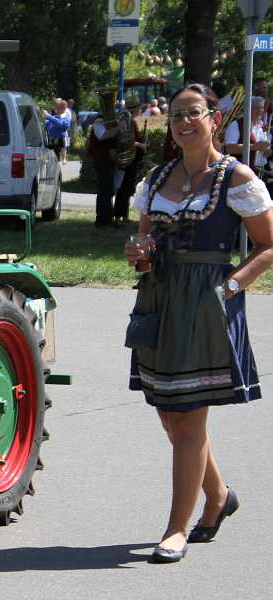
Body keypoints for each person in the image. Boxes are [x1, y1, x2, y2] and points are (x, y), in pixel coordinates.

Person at [124, 83, 273, 563]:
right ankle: (218, 496)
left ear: (214, 118)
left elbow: (268, 245)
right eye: (176, 115)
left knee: (189, 418)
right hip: (159, 300)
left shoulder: (236, 178)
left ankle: (175, 529)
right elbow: (145, 248)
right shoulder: (157, 178)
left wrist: (230, 288)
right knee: (170, 414)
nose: (184, 122)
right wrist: (140, 255)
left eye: (194, 113)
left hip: (208, 301)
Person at [113, 98, 148, 226]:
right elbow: (124, 139)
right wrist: (140, 145)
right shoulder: (129, 121)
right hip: (129, 159)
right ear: (137, 109)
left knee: (126, 189)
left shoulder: (129, 120)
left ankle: (123, 215)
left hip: (130, 158)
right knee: (124, 188)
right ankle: (119, 215)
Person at [88, 95, 121, 227]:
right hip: (101, 159)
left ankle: (108, 217)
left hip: (109, 158)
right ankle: (102, 220)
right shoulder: (98, 121)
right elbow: (102, 136)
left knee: (109, 188)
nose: (112, 109)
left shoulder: (110, 121)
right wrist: (119, 128)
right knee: (104, 189)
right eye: (110, 106)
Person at [224, 95, 271, 171]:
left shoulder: (261, 127)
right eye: (256, 108)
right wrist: (254, 146)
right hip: (239, 171)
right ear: (248, 108)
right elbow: (229, 149)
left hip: (259, 171)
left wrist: (267, 150)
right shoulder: (236, 125)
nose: (260, 110)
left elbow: (263, 151)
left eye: (262, 107)